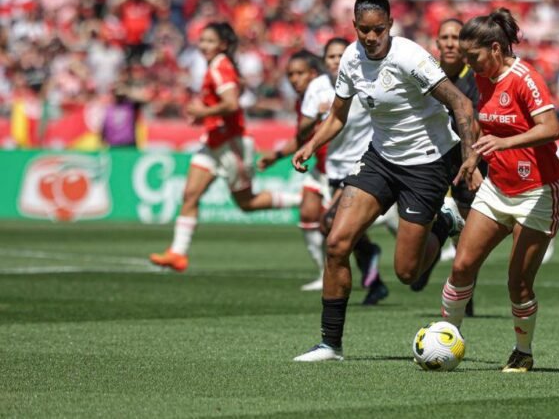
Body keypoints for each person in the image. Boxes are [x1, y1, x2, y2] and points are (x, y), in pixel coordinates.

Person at [291, 0, 479, 362]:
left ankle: (444, 221)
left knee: (409, 274)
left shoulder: (410, 56)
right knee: (337, 242)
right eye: (363, 30)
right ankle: (331, 344)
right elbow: (338, 117)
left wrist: (470, 161)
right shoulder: (351, 60)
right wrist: (311, 145)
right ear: (354, 25)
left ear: (390, 24)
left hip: (428, 163)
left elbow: (461, 104)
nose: (371, 37)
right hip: (380, 159)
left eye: (378, 29)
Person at [439, 8, 559, 372]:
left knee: (518, 284)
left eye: (473, 57)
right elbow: (485, 123)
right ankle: (446, 339)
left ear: (496, 48)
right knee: (462, 266)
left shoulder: (526, 78)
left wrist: (503, 145)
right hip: (497, 187)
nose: (469, 65)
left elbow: (551, 128)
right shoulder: (483, 78)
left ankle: (523, 352)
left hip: (538, 192)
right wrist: (472, 157)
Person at [149, 22, 299, 272]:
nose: (203, 45)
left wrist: (203, 111)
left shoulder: (220, 67)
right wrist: (204, 116)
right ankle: (177, 253)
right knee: (190, 195)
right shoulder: (216, 67)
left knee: (247, 203)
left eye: (209, 41)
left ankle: (306, 200)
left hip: (232, 144)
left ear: (223, 44)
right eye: (202, 40)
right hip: (213, 142)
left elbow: (231, 104)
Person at [408, 18, 483, 318]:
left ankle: (464, 297)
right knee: (425, 227)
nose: (451, 43)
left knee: (466, 235)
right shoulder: (426, 75)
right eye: (445, 37)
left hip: (467, 162)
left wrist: (473, 158)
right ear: (436, 43)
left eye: (456, 37)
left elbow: (479, 126)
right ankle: (427, 257)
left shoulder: (476, 80)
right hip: (430, 160)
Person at [315, 37, 394, 306]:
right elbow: (304, 126)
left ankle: (370, 260)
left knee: (329, 223)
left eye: (340, 55)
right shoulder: (317, 89)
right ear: (324, 61)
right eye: (330, 57)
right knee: (343, 231)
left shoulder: (363, 79)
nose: (336, 61)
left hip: (361, 165)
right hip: (333, 169)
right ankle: (375, 281)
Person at [257, 50, 331, 291]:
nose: (294, 79)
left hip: (342, 170)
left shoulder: (332, 95)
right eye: (290, 74)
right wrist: (277, 155)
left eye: (300, 73)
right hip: (319, 170)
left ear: (313, 74)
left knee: (341, 227)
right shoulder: (303, 102)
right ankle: (323, 275)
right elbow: (302, 138)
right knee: (309, 214)